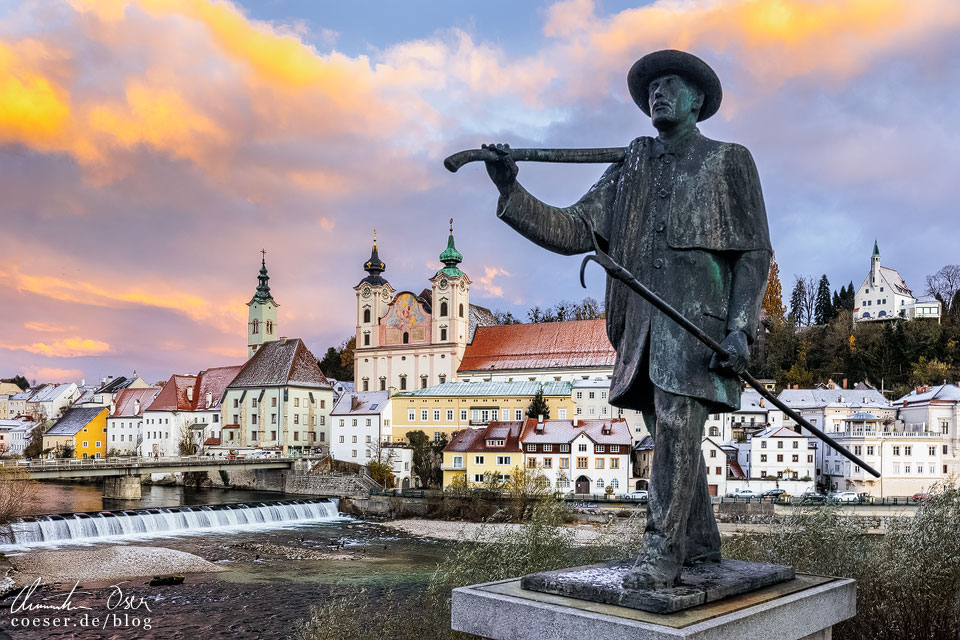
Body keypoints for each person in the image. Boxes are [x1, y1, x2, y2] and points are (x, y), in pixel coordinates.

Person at [482, 50, 772, 590]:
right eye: (651, 88)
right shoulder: (629, 170)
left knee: (679, 428)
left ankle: (661, 555)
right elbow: (570, 230)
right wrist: (509, 188)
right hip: (639, 329)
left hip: (697, 329)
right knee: (668, 434)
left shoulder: (730, 160)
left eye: (670, 85)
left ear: (698, 100)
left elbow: (753, 254)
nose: (657, 94)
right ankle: (702, 546)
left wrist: (740, 328)